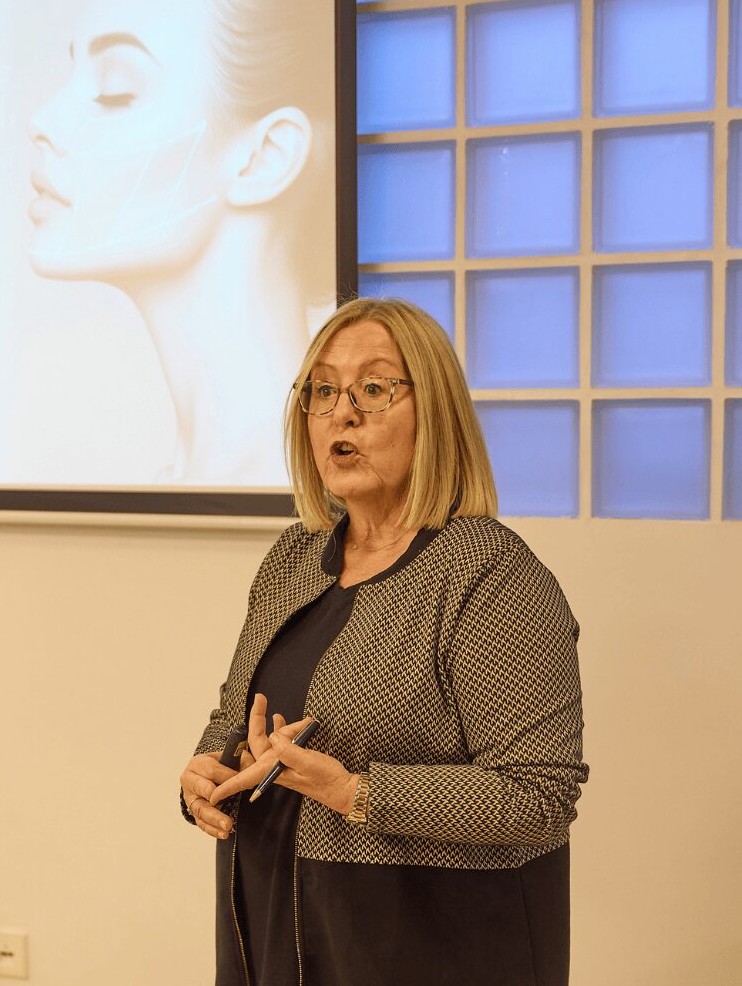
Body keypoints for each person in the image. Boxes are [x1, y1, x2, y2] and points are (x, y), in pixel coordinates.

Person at [179, 297, 590, 985]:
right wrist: (205, 769)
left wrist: (355, 792)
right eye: (324, 391)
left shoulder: (488, 573)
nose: (343, 413)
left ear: (435, 414)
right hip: (275, 926)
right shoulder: (294, 557)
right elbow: (235, 715)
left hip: (424, 948)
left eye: (373, 389)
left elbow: (537, 796)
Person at [27, 0, 334, 485]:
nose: (42, 120)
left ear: (265, 157)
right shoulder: (183, 480)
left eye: (115, 91)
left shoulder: (309, 504)